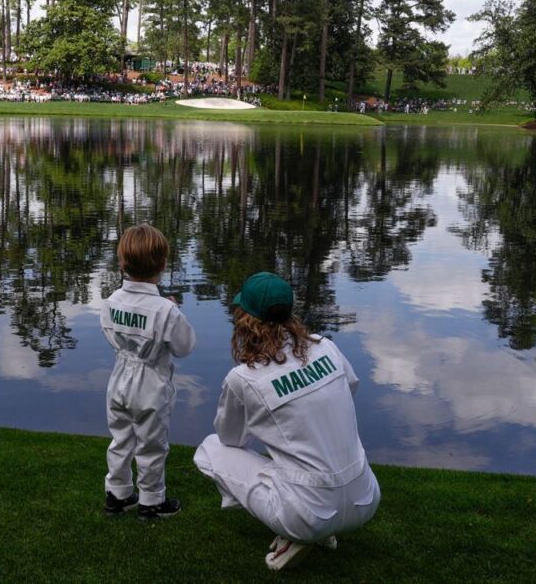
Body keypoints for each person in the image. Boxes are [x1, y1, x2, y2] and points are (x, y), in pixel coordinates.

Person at [193, 272, 380, 571]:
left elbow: (231, 440)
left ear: (244, 319)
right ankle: (317, 525)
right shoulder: (325, 346)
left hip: (307, 512)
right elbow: (351, 387)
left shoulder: (244, 378)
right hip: (366, 497)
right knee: (302, 451)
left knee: (210, 449)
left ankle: (299, 532)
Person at [100, 224, 196, 519]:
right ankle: (151, 500)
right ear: (163, 264)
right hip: (151, 382)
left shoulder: (111, 301)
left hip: (119, 378)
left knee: (121, 438)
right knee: (152, 443)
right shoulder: (165, 310)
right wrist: (175, 311)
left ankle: (117, 494)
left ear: (123, 262)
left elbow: (109, 332)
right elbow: (184, 346)